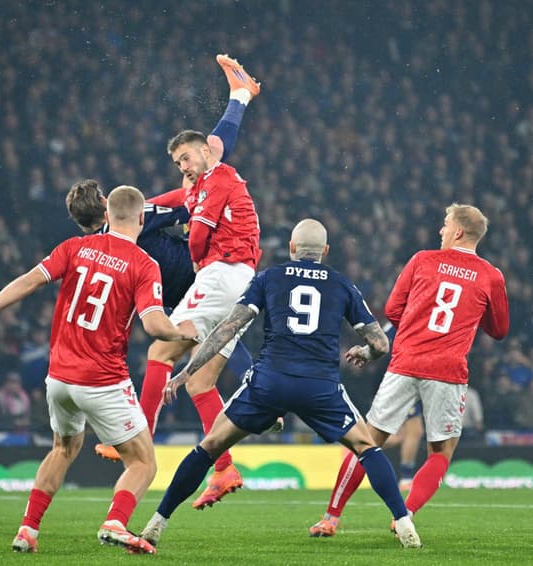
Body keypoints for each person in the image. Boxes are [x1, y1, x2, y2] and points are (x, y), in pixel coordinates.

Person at [138, 219, 423, 549]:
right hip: (319, 386)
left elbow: (229, 327)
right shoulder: (341, 284)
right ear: (325, 252)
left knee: (210, 446)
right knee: (366, 447)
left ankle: (156, 523)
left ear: (291, 248)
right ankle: (403, 523)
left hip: (269, 382)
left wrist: (189, 370)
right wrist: (366, 352)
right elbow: (381, 343)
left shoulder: (269, 277)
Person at [0, 186, 196, 555]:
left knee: (63, 448)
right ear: (143, 219)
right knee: (143, 462)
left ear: (107, 215)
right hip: (102, 378)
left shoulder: (74, 247)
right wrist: (183, 332)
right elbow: (154, 325)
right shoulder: (144, 264)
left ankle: (27, 530)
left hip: (59, 376)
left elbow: (28, 281)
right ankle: (115, 522)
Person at [67, 56, 264, 472]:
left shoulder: (94, 248)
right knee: (200, 375)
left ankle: (139, 437)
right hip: (191, 273)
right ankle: (225, 467)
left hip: (179, 285)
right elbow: (183, 206)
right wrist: (192, 204)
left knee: (171, 354)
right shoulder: (133, 215)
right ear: (106, 204)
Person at [309, 203, 509, 537]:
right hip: (447, 370)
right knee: (441, 451)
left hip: (406, 362)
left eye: (445, 225)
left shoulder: (422, 260)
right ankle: (406, 514)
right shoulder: (491, 275)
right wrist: (471, 315)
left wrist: (417, 327)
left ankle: (331, 517)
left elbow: (392, 309)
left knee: (367, 441)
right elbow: (499, 330)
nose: (440, 230)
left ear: (458, 231)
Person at [130, 53, 263, 509]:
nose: (182, 166)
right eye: (177, 161)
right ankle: (224, 470)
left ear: (203, 151)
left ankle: (136, 438)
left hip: (223, 273)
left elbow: (199, 235)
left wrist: (184, 226)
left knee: (160, 349)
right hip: (236, 281)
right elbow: (163, 202)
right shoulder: (201, 178)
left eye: (186, 158)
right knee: (200, 384)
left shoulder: (215, 179)